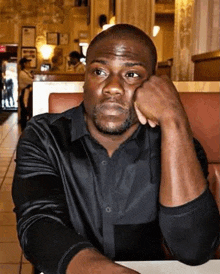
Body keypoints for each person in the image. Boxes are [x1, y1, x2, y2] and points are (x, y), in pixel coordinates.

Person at [12, 24, 219, 274]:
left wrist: (173, 119)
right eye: (99, 71)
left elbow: (194, 250)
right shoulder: (45, 136)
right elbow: (39, 224)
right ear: (84, 81)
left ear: (152, 86)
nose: (112, 86)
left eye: (131, 74)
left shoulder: (178, 145)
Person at [18, 57, 33, 130]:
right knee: (24, 112)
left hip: (28, 93)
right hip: (25, 94)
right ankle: (23, 128)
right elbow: (31, 81)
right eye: (28, 62)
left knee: (27, 111)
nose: (29, 64)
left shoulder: (27, 72)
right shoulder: (22, 73)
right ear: (24, 64)